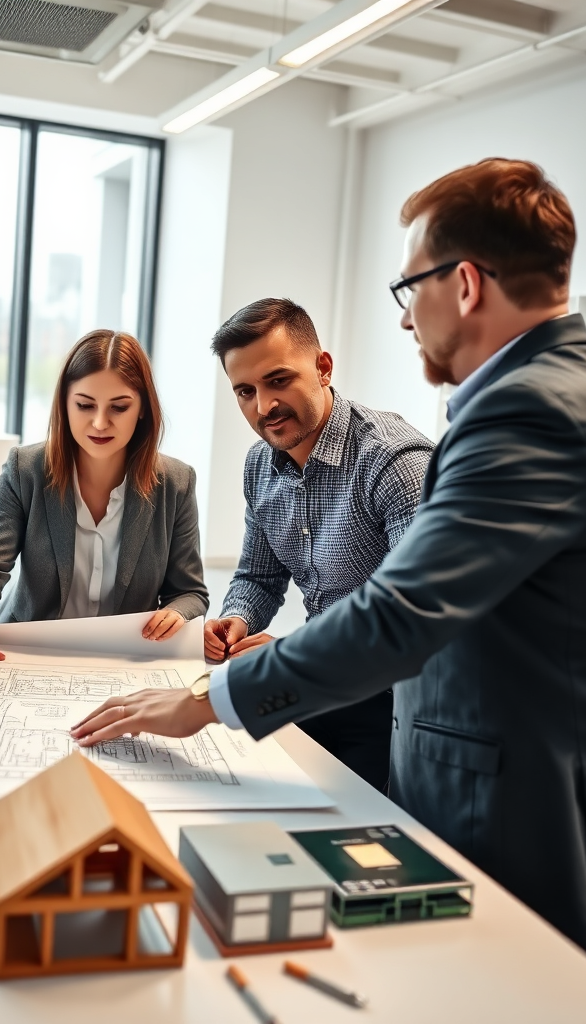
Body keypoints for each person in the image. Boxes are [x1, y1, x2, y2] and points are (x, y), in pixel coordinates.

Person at [72, 158, 586, 959]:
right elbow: (279, 578)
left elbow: (402, 612)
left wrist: (209, 697)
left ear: (463, 284)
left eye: (408, 290)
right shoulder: (573, 390)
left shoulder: (527, 413)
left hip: (526, 804)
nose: (403, 319)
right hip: (495, 771)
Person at [202, 298, 433, 791]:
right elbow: (258, 577)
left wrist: (284, 653)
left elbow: (411, 625)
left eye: (278, 380)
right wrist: (236, 620)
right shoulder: (260, 465)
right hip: (316, 688)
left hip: (394, 701)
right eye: (245, 391)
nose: (264, 407)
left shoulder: (395, 463)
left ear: (323, 368)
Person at [0, 329, 208, 657]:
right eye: (84, 405)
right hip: (28, 652)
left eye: (119, 408)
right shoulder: (25, 469)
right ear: (65, 404)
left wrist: (177, 614)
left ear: (143, 409)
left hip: (124, 657)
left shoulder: (176, 484)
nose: (99, 423)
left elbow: (190, 593)